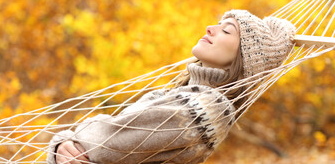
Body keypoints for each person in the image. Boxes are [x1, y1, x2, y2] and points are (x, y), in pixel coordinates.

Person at [47, 10, 295, 164]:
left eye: (226, 31)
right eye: (218, 23)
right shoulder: (176, 94)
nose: (210, 28)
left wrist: (67, 141)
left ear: (243, 58)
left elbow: (107, 142)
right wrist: (62, 144)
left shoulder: (207, 110)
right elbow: (100, 140)